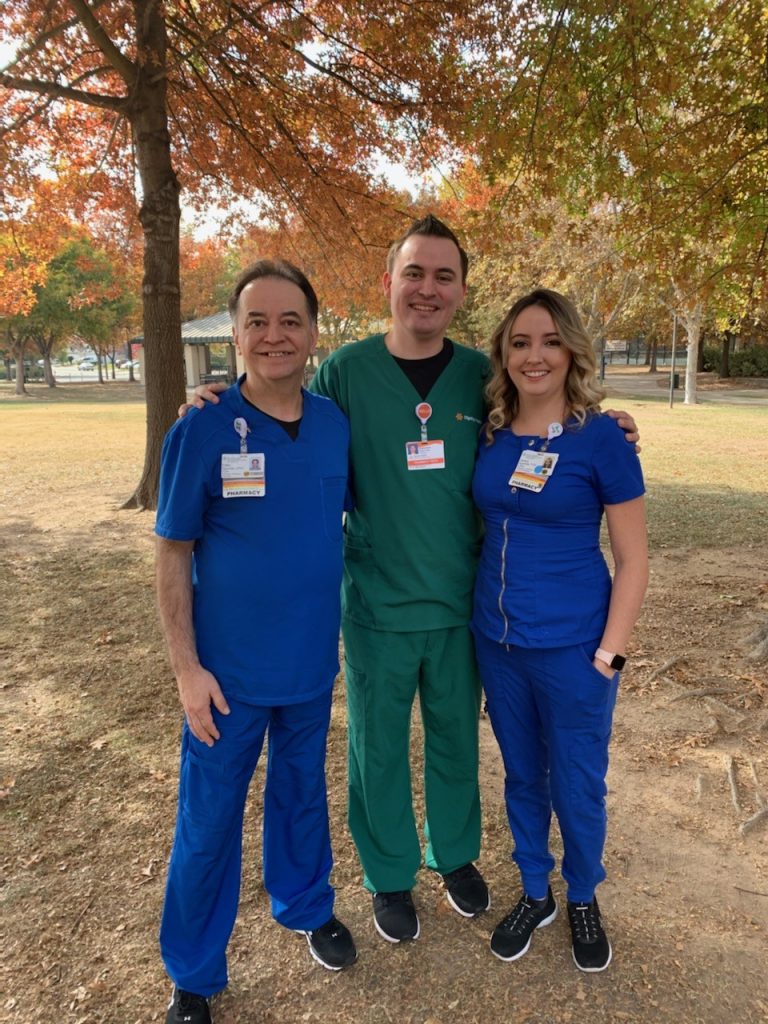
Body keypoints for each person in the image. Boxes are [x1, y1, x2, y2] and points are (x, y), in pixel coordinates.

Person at [183, 216, 641, 947]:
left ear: (461, 290)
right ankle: (390, 871)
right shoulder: (344, 374)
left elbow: (542, 412)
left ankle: (453, 855)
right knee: (378, 747)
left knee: (457, 739)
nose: (427, 289)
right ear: (388, 283)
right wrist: (215, 403)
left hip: (465, 608)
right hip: (375, 605)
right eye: (414, 273)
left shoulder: (477, 378)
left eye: (443, 276)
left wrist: (606, 417)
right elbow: (277, 407)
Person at [156, 260, 356, 1024]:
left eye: (290, 321)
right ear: (234, 334)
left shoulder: (335, 424)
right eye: (258, 322)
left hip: (309, 664)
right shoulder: (201, 427)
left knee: (302, 797)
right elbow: (173, 552)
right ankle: (195, 974)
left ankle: (306, 908)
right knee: (207, 825)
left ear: (313, 330)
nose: (275, 336)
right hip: (225, 678)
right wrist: (186, 669)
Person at [470, 289, 648, 973]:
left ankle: (581, 894)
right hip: (498, 642)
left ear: (570, 349)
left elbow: (634, 557)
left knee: (576, 780)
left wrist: (610, 652)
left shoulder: (602, 437)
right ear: (504, 355)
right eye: (519, 342)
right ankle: (536, 890)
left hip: (576, 647)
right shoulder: (490, 434)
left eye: (548, 341)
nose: (534, 355)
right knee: (521, 775)